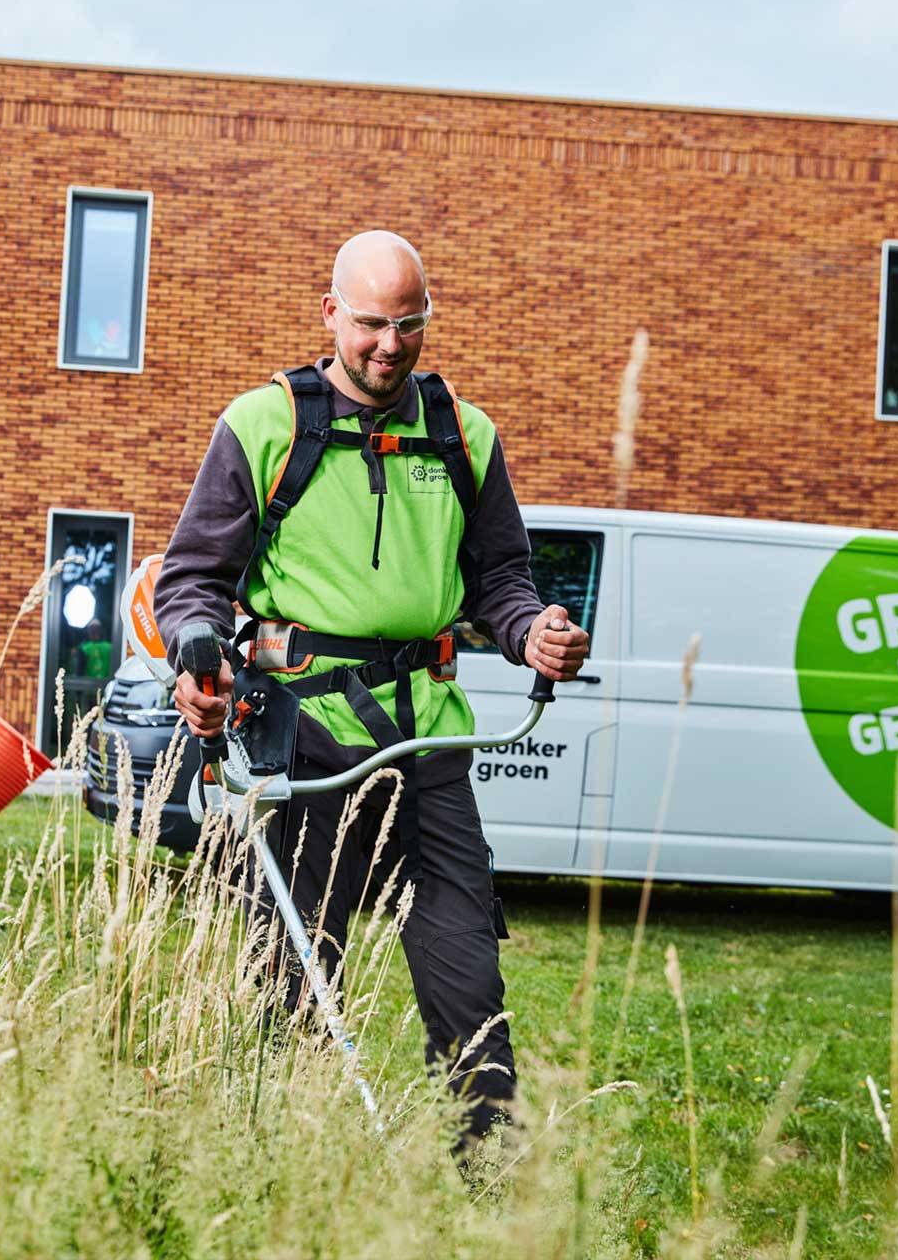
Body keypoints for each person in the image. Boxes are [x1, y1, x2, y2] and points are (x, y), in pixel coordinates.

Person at [155, 230, 590, 1149]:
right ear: (330, 314)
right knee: (289, 976)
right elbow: (192, 578)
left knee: (468, 981)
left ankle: (486, 1190)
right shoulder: (264, 425)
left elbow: (502, 579)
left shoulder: (467, 437)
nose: (388, 347)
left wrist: (531, 633)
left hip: (426, 745)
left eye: (409, 326)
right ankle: (282, 1167)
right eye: (369, 325)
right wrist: (199, 651)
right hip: (301, 747)